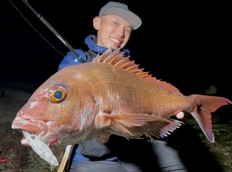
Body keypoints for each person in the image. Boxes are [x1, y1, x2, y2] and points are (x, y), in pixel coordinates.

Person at [58, 1, 186, 172]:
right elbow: (64, 105)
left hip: (132, 148)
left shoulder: (128, 69)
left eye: (128, 29)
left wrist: (169, 107)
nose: (121, 33)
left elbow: (145, 106)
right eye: (115, 22)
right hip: (92, 159)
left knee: (180, 162)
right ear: (97, 23)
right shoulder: (75, 62)